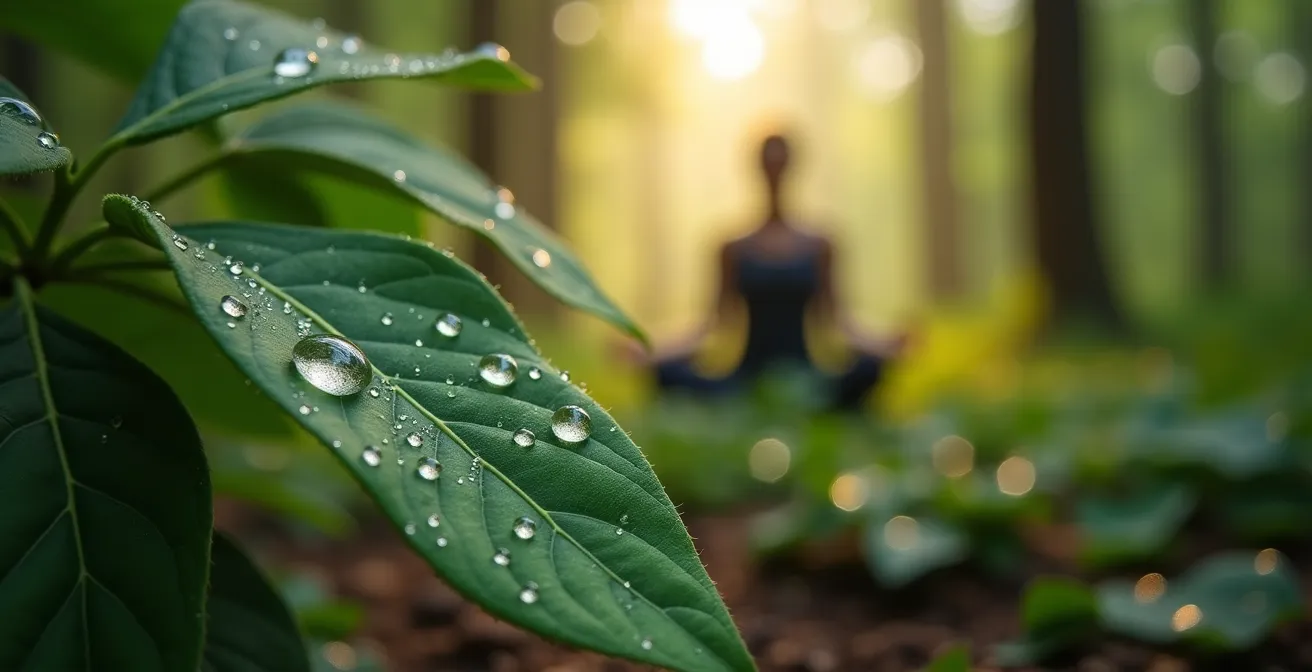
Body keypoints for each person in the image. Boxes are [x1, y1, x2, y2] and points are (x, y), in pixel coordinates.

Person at [623, 134, 906, 412]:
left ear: (793, 167)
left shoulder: (820, 245)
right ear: (757, 168)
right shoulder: (733, 247)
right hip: (746, 381)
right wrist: (651, 351)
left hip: (807, 380)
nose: (775, 170)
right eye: (768, 161)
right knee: (669, 374)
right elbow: (713, 324)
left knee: (869, 370)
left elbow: (836, 320)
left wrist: (884, 344)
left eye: (780, 161)